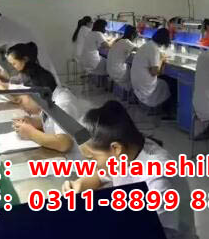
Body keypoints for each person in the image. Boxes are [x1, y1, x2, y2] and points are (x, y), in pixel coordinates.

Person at [62, 101, 198, 239]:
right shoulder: (129, 150)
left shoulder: (156, 178)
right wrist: (80, 184)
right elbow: (102, 176)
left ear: (116, 148)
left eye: (92, 159)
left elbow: (156, 232)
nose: (90, 165)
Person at [0, 42, 80, 155]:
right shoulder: (47, 100)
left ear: (34, 94)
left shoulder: (63, 103)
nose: (21, 107)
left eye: (20, 101)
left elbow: (64, 143)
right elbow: (51, 122)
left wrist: (31, 133)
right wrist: (34, 122)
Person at [130, 28, 175, 112]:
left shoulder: (147, 45)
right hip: (144, 85)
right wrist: (162, 60)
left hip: (136, 81)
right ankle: (168, 110)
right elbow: (155, 72)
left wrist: (160, 58)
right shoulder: (154, 49)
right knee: (168, 84)